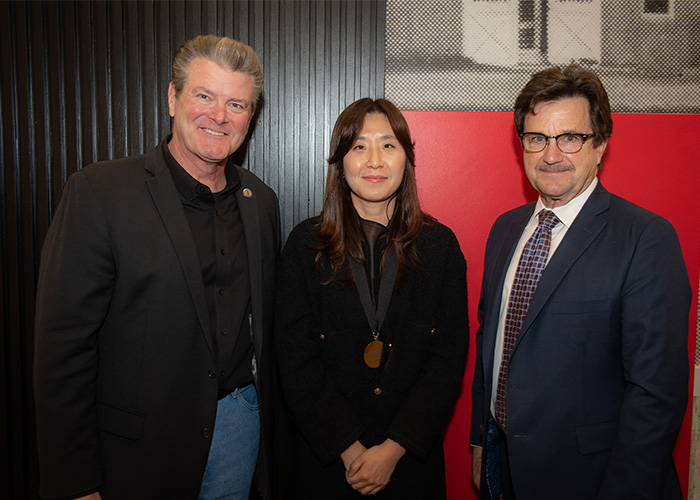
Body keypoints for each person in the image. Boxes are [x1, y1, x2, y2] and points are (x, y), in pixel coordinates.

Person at [34, 35, 280, 500]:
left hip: (238, 432)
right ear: (173, 98)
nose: (219, 116)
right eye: (204, 96)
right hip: (137, 449)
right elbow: (63, 348)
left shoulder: (260, 201)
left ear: (250, 116)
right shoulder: (100, 193)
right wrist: (75, 482)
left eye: (236, 104)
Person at [470, 65, 691, 500]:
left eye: (570, 137)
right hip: (506, 467)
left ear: (601, 144)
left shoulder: (646, 238)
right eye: (537, 138)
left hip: (595, 480)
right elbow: (490, 343)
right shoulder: (505, 230)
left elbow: (655, 396)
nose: (551, 155)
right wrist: (482, 442)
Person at [274, 98, 469, 498]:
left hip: (410, 463)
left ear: (407, 159)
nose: (374, 160)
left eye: (388, 145)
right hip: (326, 462)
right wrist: (349, 449)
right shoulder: (304, 245)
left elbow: (447, 359)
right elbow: (295, 360)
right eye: (359, 146)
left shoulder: (440, 247)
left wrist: (393, 449)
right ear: (340, 161)